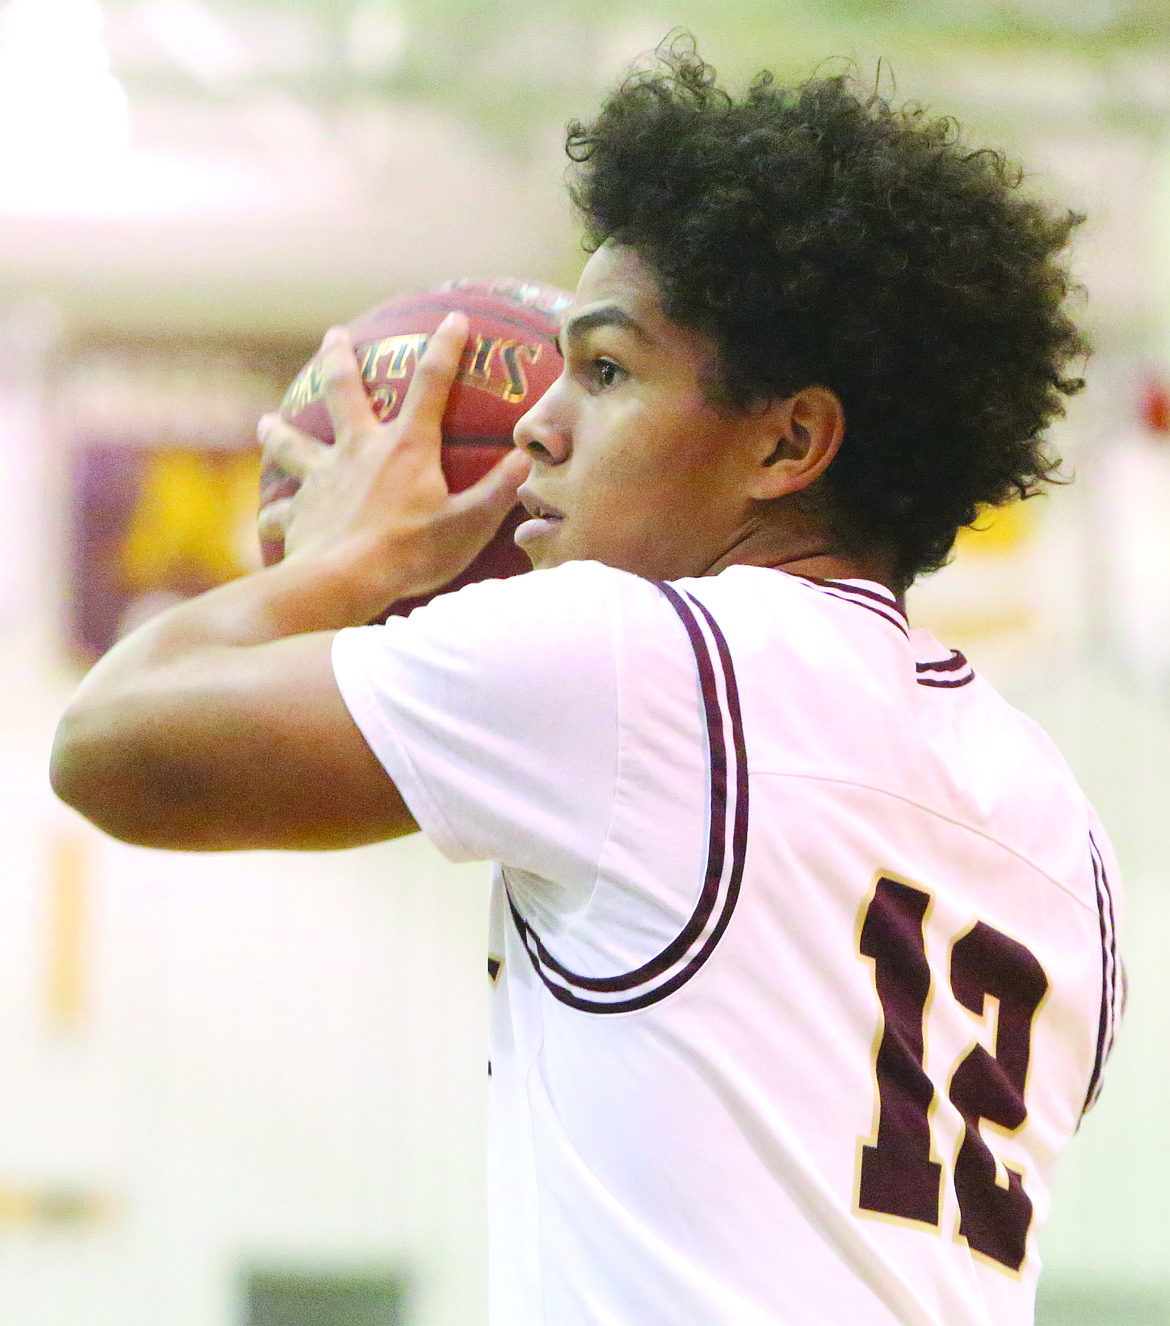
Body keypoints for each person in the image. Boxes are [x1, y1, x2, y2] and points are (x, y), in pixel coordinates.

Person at [51, 43, 1123, 1326]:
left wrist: (342, 567)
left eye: (605, 372)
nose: (537, 425)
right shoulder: (1061, 822)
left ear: (788, 441)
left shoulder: (640, 659)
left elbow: (112, 745)